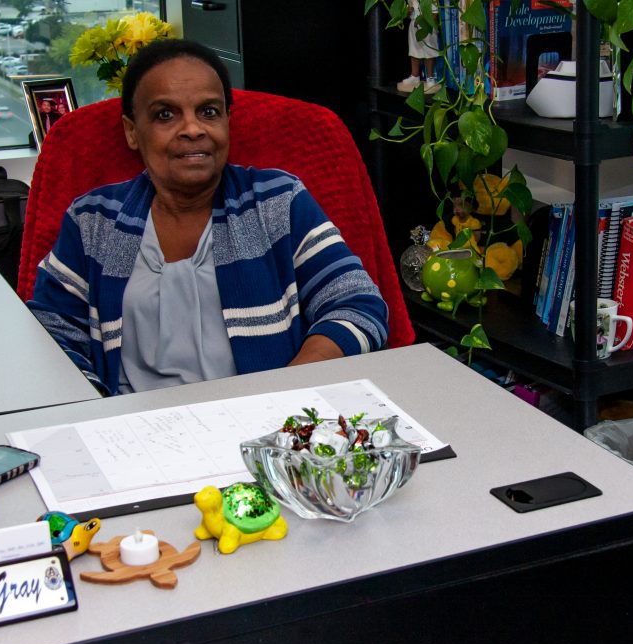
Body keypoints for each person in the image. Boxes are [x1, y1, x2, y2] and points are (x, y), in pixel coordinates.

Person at [28, 39, 389, 396]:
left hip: (264, 417)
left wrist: (288, 392)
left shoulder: (278, 201)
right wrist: (96, 410)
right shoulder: (93, 220)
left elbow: (358, 304)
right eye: (165, 114)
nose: (192, 129)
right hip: (131, 421)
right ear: (132, 131)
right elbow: (52, 336)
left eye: (209, 112)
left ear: (228, 122)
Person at [397, 0, 440, 94]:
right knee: (414, 51)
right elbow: (407, 14)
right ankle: (414, 76)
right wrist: (408, 11)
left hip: (427, 26)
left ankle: (430, 77)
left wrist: (426, 22)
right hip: (414, 25)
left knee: (429, 52)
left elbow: (435, 14)